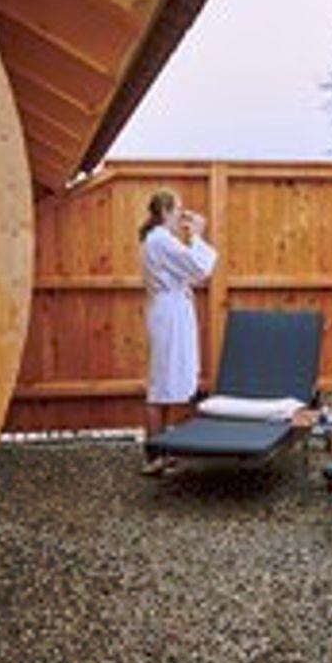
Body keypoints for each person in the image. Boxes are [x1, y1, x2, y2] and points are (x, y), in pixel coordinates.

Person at [138, 187, 217, 474]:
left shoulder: (160, 240)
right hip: (168, 314)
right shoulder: (160, 240)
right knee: (160, 385)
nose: (182, 215)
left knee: (168, 382)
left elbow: (190, 272)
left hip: (171, 311)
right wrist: (197, 234)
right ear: (165, 212)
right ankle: (153, 455)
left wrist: (194, 237)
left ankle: (163, 450)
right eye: (178, 210)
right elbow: (198, 267)